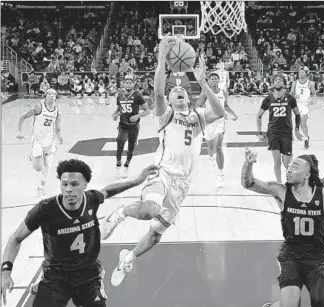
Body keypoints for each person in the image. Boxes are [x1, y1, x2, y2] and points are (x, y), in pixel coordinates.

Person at [100, 36, 225, 287]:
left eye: (182, 92)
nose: (178, 93)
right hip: (163, 173)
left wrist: (202, 82)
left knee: (156, 235)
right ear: (169, 100)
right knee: (149, 211)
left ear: (188, 99)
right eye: (174, 92)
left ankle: (128, 258)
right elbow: (158, 91)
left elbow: (220, 112)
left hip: (182, 184)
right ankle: (120, 213)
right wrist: (161, 57)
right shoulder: (166, 115)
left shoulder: (198, 117)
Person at [1, 159, 158, 307]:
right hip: (56, 277)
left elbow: (108, 191)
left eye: (74, 184)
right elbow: (16, 238)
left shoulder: (91, 199)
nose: (68, 189)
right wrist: (6, 271)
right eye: (64, 184)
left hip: (88, 275)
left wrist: (138, 180)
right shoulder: (45, 209)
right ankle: (42, 284)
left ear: (85, 184)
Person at [241, 148, 324, 307]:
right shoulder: (281, 192)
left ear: (307, 174)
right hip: (291, 257)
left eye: (295, 166)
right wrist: (248, 164)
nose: (289, 169)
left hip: (317, 259)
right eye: (289, 166)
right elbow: (248, 183)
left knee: (320, 303)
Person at [17, 88, 63, 197]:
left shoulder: (57, 111)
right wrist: (19, 131)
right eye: (49, 94)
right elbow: (22, 117)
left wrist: (60, 138)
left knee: (48, 166)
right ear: (45, 96)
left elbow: (57, 128)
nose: (52, 96)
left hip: (50, 141)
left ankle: (41, 187)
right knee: (39, 168)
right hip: (37, 140)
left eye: (54, 94)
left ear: (56, 97)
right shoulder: (39, 107)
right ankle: (33, 156)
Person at [257, 74, 303, 183]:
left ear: (283, 83)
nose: (278, 81)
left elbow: (297, 114)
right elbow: (258, 116)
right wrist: (259, 132)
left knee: (287, 164)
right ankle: (279, 184)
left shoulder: (290, 98)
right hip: (273, 133)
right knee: (276, 162)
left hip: (286, 132)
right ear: (273, 83)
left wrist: (296, 130)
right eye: (276, 80)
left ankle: (290, 182)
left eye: (280, 80)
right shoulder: (268, 99)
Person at [196, 72, 238, 187]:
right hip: (209, 121)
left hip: (220, 120)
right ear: (209, 81)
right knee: (210, 146)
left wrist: (233, 114)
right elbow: (197, 106)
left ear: (218, 81)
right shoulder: (205, 93)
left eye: (216, 79)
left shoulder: (223, 92)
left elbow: (225, 105)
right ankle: (211, 158)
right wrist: (203, 114)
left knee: (218, 146)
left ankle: (221, 175)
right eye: (212, 79)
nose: (214, 81)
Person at [112, 75, 151, 179]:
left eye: (130, 82)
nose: (128, 84)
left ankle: (126, 166)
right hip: (123, 125)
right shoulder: (119, 95)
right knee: (119, 146)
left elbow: (148, 111)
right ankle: (118, 166)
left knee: (131, 148)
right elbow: (118, 110)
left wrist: (137, 116)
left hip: (134, 126)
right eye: (127, 82)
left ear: (133, 84)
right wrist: (115, 115)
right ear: (123, 84)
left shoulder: (138, 95)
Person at [290, 66, 316, 149]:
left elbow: (313, 93)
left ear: (306, 73)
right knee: (299, 122)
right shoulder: (295, 83)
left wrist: (312, 100)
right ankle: (306, 136)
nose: (301, 73)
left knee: (303, 120)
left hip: (305, 104)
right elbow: (290, 94)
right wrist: (294, 95)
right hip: (297, 104)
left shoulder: (310, 83)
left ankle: (306, 139)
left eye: (302, 72)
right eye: (300, 72)